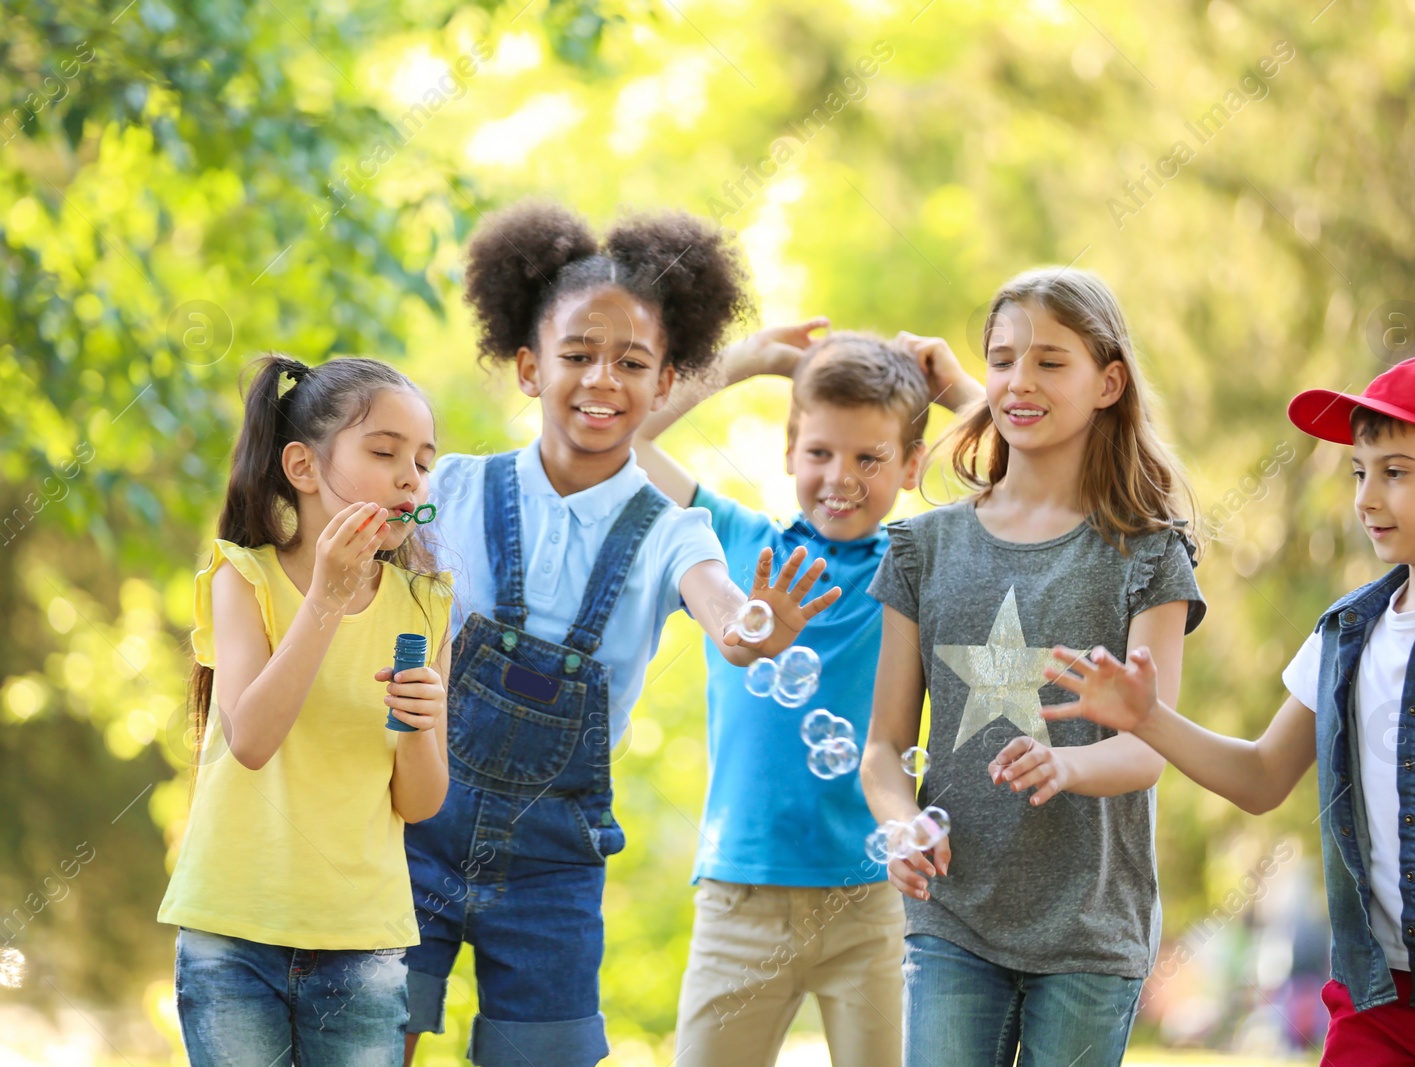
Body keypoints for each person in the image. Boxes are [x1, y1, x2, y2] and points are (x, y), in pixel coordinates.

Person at [1048, 354, 1415, 1067]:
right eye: (1359, 472)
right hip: (1374, 1008)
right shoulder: (1343, 635)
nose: (1367, 497)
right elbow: (1261, 776)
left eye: (1395, 472)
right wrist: (1148, 716)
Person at [403, 201, 840, 1067]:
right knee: (373, 1037)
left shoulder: (674, 530)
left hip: (553, 870)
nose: (603, 379)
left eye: (631, 362)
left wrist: (761, 626)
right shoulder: (450, 487)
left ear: (665, 383)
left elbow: (729, 618)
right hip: (413, 826)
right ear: (529, 367)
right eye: (577, 355)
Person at [861, 267, 1206, 1066]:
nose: (1020, 381)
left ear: (1108, 381)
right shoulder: (924, 546)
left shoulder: (1149, 555)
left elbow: (1151, 747)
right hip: (954, 919)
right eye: (1003, 358)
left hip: (1090, 928)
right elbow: (882, 747)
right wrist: (897, 820)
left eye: (1052, 361)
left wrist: (1068, 761)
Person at [634, 325, 983, 1066]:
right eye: (819, 452)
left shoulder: (917, 560)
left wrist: (955, 390)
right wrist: (747, 363)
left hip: (875, 900)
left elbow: (1039, 476)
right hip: (741, 893)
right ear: (789, 451)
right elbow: (624, 439)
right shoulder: (732, 538)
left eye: (869, 457)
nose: (840, 477)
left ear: (914, 463)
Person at [160, 354, 454, 1066]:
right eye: (384, 452)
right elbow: (253, 737)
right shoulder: (244, 576)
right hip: (232, 929)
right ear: (302, 465)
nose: (409, 477)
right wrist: (325, 597)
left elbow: (420, 802)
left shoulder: (426, 605)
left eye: (421, 461)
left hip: (363, 939)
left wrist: (418, 725)